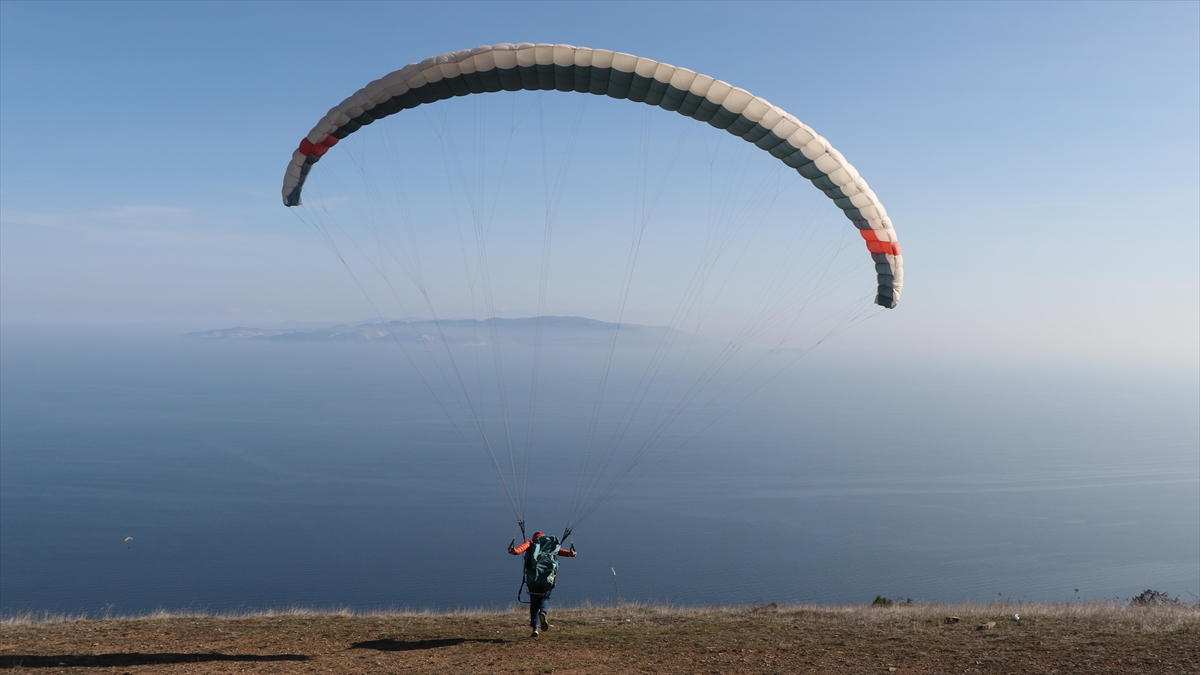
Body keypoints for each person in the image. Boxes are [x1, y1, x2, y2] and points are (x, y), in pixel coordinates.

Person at [508, 531, 577, 637]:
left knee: (534, 603)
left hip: (533, 580)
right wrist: (570, 554)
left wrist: (515, 551)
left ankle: (535, 628)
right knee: (544, 598)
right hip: (548, 580)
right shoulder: (550, 547)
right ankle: (543, 613)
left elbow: (520, 550)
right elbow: (561, 551)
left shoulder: (531, 543)